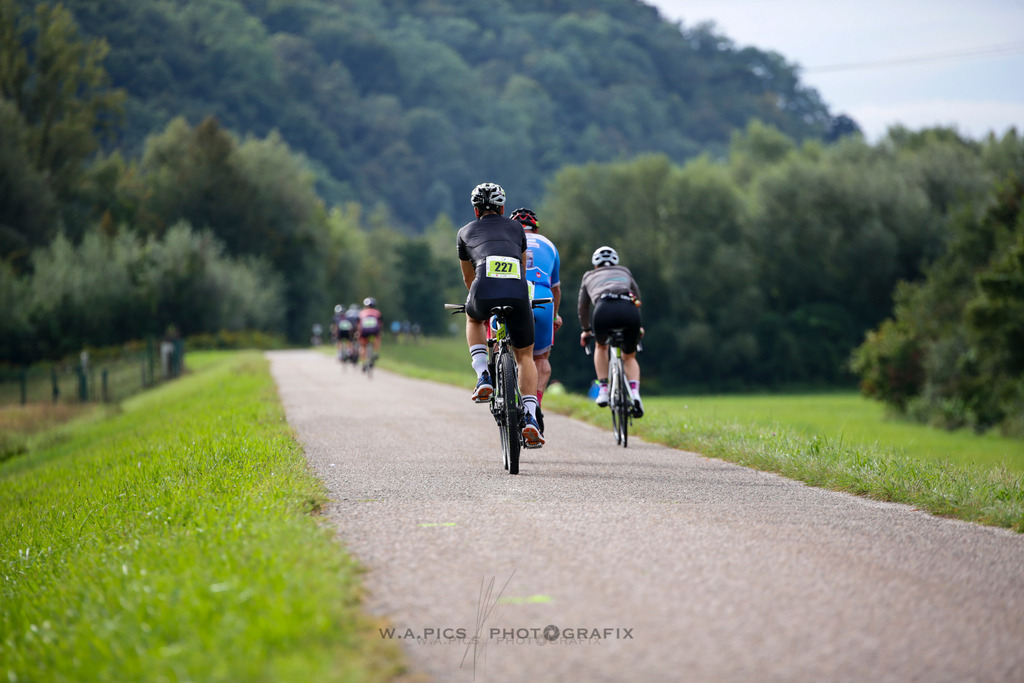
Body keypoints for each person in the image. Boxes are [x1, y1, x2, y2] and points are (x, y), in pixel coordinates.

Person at [457, 182, 544, 447]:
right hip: (517, 293)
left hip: (483, 290)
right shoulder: (517, 228)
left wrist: (478, 298)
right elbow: (522, 268)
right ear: (503, 208)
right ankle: (530, 416)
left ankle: (483, 374)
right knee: (525, 355)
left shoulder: (464, 232)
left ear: (475, 210)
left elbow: (468, 278)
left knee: (473, 317)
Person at [510, 207, 562, 435]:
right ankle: (535, 402)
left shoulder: (505, 239)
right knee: (539, 358)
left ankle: (499, 382)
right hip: (542, 298)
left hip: (512, 294)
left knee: (503, 345)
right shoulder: (549, 244)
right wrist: (555, 316)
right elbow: (556, 288)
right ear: (536, 228)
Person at [577, 246, 645, 417]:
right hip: (629, 310)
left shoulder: (589, 276)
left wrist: (585, 330)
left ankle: (604, 390)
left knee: (601, 347)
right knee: (629, 356)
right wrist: (638, 326)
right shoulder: (625, 271)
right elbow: (637, 299)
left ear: (595, 264)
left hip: (604, 310)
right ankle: (635, 394)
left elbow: (583, 307)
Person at [357, 297, 383, 369]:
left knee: (363, 346)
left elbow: (359, 325)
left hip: (364, 332)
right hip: (374, 332)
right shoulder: (377, 313)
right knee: (378, 338)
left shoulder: (361, 313)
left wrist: (358, 333)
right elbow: (380, 324)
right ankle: (375, 353)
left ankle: (363, 362)